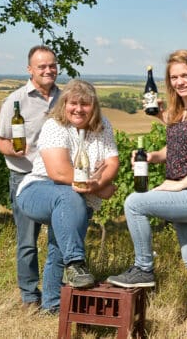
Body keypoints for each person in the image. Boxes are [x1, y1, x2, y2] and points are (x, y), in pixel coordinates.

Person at [106, 49, 187, 334]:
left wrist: (180, 184)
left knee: (135, 202)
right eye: (174, 77)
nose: (180, 81)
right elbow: (175, 151)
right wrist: (151, 157)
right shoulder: (180, 113)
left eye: (185, 75)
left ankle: (143, 267)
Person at [16, 78, 119, 313]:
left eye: (85, 104)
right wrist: (100, 187)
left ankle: (51, 305)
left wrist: (97, 183)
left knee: (58, 246)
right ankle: (76, 263)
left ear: (94, 106)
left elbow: (112, 162)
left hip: (80, 199)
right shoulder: (55, 126)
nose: (79, 109)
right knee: (68, 196)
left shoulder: (103, 125)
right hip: (38, 190)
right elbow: (59, 172)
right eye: (74, 103)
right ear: (65, 104)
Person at [0, 45, 61, 309]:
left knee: (60, 239)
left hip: (58, 179)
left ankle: (55, 292)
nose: (48, 70)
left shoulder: (66, 100)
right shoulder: (15, 101)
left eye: (52, 65)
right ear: (30, 69)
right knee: (27, 241)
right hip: (24, 177)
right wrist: (13, 149)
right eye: (42, 66)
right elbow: (1, 141)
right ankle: (30, 296)